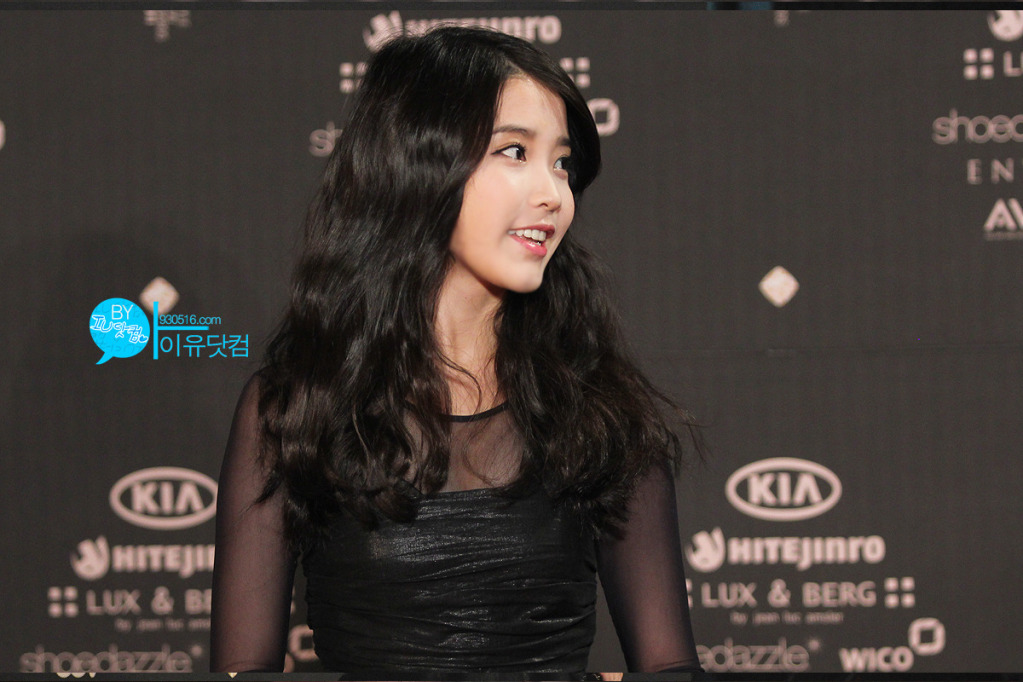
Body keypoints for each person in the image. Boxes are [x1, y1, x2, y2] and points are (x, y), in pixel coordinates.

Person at [211, 25, 701, 678]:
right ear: (418, 164)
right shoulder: (296, 406)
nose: (553, 194)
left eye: (562, 163)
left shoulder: (602, 410)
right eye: (514, 151)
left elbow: (670, 669)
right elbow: (242, 672)